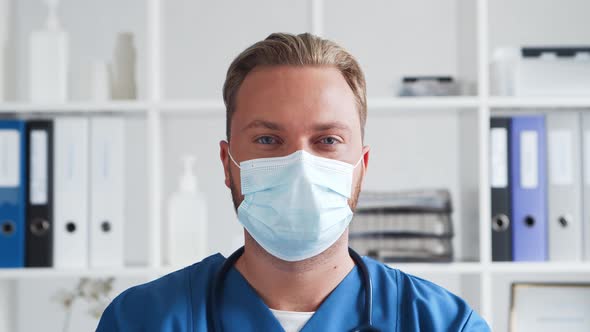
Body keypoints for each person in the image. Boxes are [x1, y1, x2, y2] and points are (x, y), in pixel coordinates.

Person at [96, 32, 490, 332]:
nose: (300, 165)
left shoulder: (443, 323)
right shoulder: (142, 319)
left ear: (362, 167)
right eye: (268, 140)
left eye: (328, 141)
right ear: (227, 163)